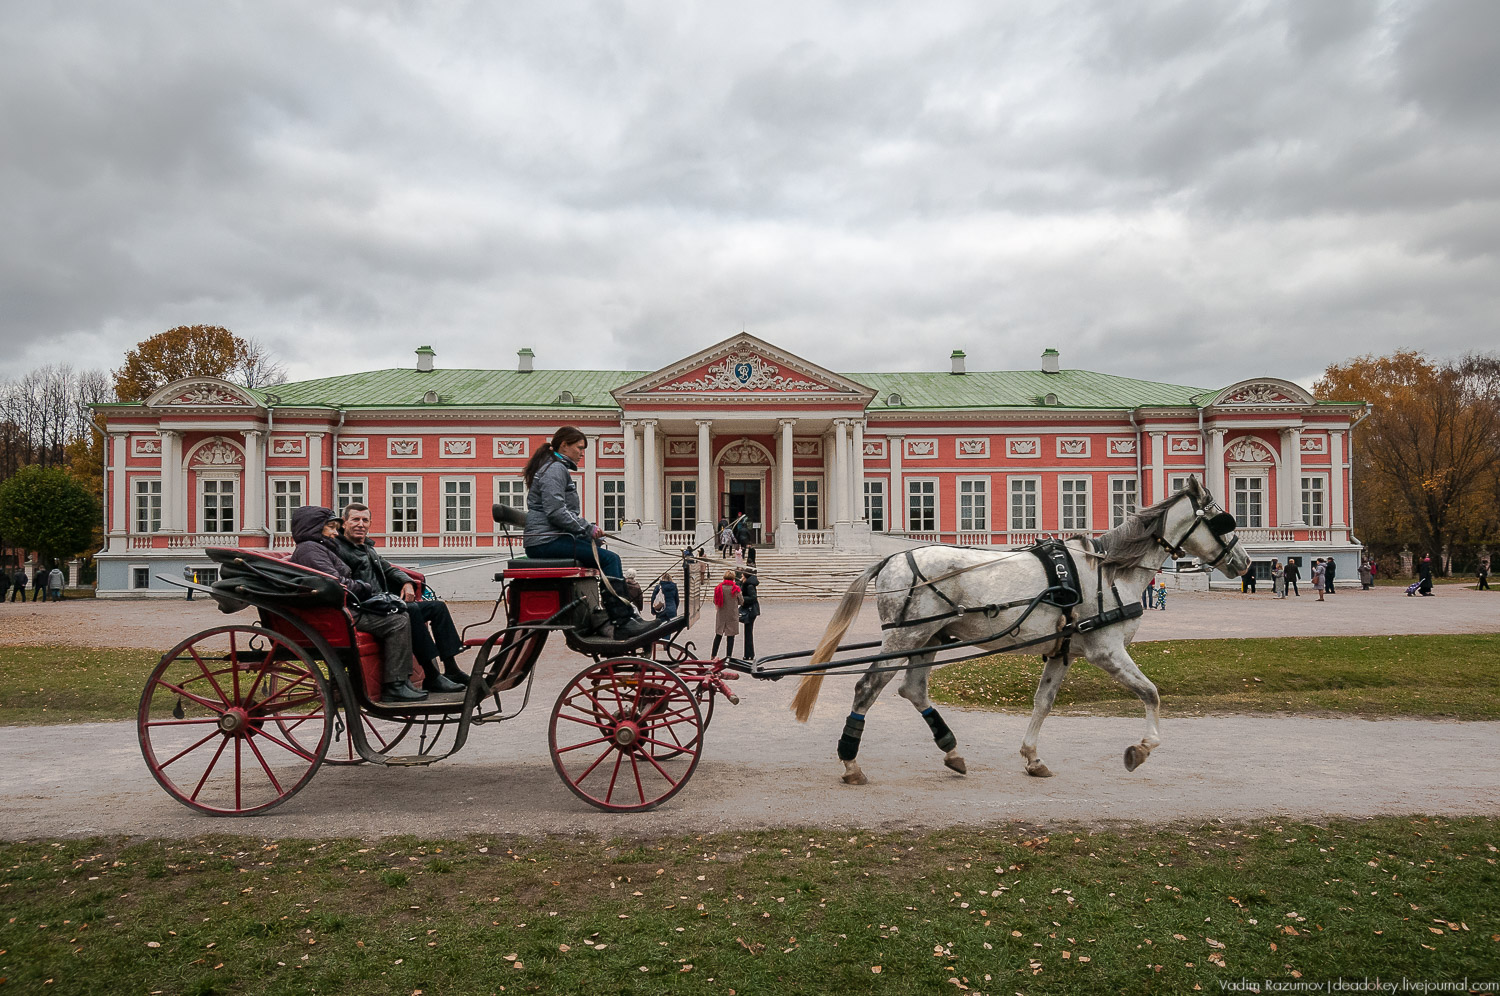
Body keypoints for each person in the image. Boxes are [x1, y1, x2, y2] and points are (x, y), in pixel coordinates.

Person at [522, 426, 654, 639]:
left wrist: (585, 532)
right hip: (546, 541)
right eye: (579, 448)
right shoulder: (555, 469)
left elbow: (562, 512)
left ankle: (622, 617)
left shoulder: (555, 467)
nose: (582, 453)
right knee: (611, 560)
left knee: (606, 557)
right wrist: (587, 529)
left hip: (549, 538)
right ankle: (622, 621)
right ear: (564, 445)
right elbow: (556, 512)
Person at [288, 505, 426, 702]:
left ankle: (408, 680)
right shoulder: (311, 550)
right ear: (315, 527)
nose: (336, 532)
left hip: (342, 608)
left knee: (403, 611)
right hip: (337, 613)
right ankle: (395, 685)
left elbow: (338, 580)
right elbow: (335, 584)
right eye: (331, 528)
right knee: (397, 620)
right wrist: (364, 587)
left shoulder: (319, 548)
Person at [337, 503, 464, 693]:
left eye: (365, 520)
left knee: (437, 607)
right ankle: (432, 675)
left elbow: (389, 569)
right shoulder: (340, 550)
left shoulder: (367, 548)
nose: (360, 524)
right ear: (344, 523)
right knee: (410, 610)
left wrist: (407, 583)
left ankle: (452, 668)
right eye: (355, 519)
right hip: (366, 607)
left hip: (384, 603)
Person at [711, 569, 741, 659]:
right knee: (731, 636)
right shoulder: (735, 589)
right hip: (732, 614)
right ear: (733, 578)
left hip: (721, 614)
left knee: (718, 635)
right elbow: (741, 601)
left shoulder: (718, 588)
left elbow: (714, 601)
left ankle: (713, 654)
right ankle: (728, 656)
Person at [738, 548, 761, 659]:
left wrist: (742, 599)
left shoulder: (750, 585)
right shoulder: (747, 583)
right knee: (748, 633)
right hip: (751, 610)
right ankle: (748, 654)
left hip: (751, 610)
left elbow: (753, 597)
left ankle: (749, 655)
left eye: (742, 575)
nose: (741, 576)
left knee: (748, 634)